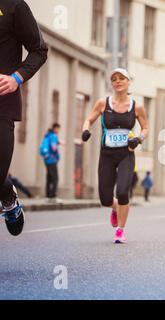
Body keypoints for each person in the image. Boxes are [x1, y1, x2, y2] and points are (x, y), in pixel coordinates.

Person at [81, 68, 148, 243]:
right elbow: (89, 119)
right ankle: (115, 207)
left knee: (123, 191)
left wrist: (139, 139)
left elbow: (145, 128)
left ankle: (120, 230)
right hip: (107, 154)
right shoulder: (103, 103)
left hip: (127, 153)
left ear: (128, 82)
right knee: (104, 198)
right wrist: (86, 130)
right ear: (111, 84)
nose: (118, 81)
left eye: (121, 78)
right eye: (114, 79)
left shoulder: (137, 106)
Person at [0, 0, 48, 236]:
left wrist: (16, 78)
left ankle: (7, 196)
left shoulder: (14, 6)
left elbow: (39, 49)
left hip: (2, 106)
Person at [40, 123, 63, 203]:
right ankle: (53, 196)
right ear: (56, 128)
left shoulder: (47, 135)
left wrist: (59, 142)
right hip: (52, 160)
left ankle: (47, 196)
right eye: (58, 128)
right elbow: (53, 147)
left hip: (46, 159)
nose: (58, 130)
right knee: (55, 179)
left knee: (49, 178)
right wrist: (57, 155)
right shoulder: (53, 136)